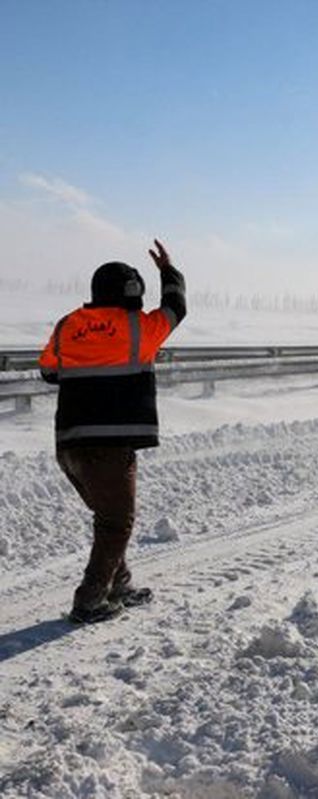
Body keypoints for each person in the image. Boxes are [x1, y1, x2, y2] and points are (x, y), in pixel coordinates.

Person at [38, 240, 187, 623]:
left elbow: (48, 370)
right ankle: (89, 600)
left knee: (109, 518)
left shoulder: (68, 324)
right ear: (133, 291)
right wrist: (168, 271)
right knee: (116, 522)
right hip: (110, 447)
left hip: (69, 445)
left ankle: (118, 584)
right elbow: (176, 308)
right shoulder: (141, 327)